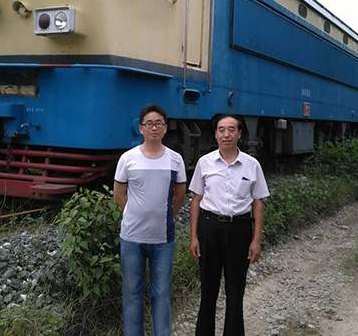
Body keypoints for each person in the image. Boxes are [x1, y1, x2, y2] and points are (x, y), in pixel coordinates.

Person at [189, 114, 270, 336]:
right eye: (221, 129)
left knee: (236, 291)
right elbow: (196, 200)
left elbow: (258, 203)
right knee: (208, 290)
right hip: (209, 229)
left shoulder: (252, 165)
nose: (226, 134)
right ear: (215, 134)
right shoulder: (204, 163)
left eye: (231, 129)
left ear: (240, 134)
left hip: (240, 231)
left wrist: (256, 241)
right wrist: (193, 236)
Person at [113, 104, 187, 336]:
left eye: (159, 123)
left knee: (162, 293)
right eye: (149, 123)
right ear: (141, 128)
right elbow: (118, 193)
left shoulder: (175, 160)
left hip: (163, 239)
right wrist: (134, 212)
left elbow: (180, 193)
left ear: (165, 128)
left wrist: (165, 215)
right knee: (132, 294)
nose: (154, 127)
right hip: (131, 239)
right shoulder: (128, 158)